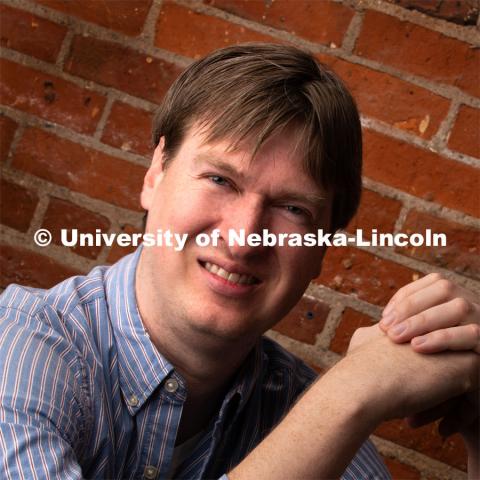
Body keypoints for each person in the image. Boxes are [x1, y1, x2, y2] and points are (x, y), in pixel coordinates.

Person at [0, 43, 478, 480]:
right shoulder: (23, 346)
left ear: (322, 249)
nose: (245, 236)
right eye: (220, 180)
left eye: (293, 208)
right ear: (155, 174)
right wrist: (347, 394)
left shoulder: (308, 418)